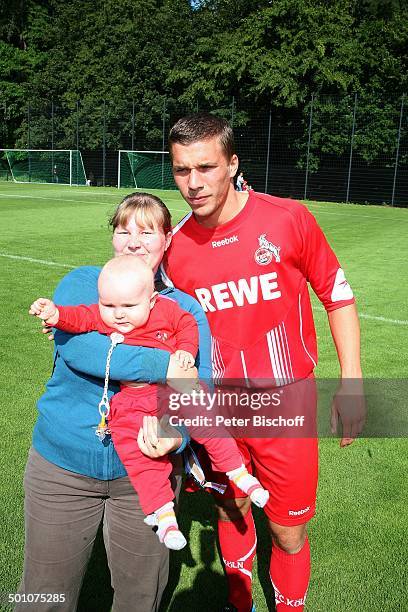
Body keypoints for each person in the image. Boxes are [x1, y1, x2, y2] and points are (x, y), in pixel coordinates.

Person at [160, 113, 365, 612]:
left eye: (205, 167)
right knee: (230, 509)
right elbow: (166, 337)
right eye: (182, 170)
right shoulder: (175, 249)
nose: (193, 183)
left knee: (288, 531)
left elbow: (337, 296)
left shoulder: (287, 219)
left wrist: (353, 382)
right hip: (218, 409)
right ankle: (239, 600)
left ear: (233, 163)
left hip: (285, 404)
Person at [17, 192, 212, 612]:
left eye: (147, 231)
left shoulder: (185, 310)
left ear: (166, 240)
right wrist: (169, 366)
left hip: (146, 478)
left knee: (139, 599)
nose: (134, 241)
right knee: (42, 596)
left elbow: (202, 391)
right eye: (123, 231)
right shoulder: (84, 284)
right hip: (62, 469)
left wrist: (173, 434)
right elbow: (80, 351)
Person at [29, 256, 269, 551]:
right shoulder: (103, 313)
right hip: (131, 401)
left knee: (207, 420)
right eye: (109, 306)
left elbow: (187, 325)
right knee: (138, 454)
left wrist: (184, 349)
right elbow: (80, 317)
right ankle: (163, 514)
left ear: (152, 300)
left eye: (128, 307)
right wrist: (55, 315)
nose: (117, 315)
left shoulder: (168, 310)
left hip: (171, 392)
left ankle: (239, 474)